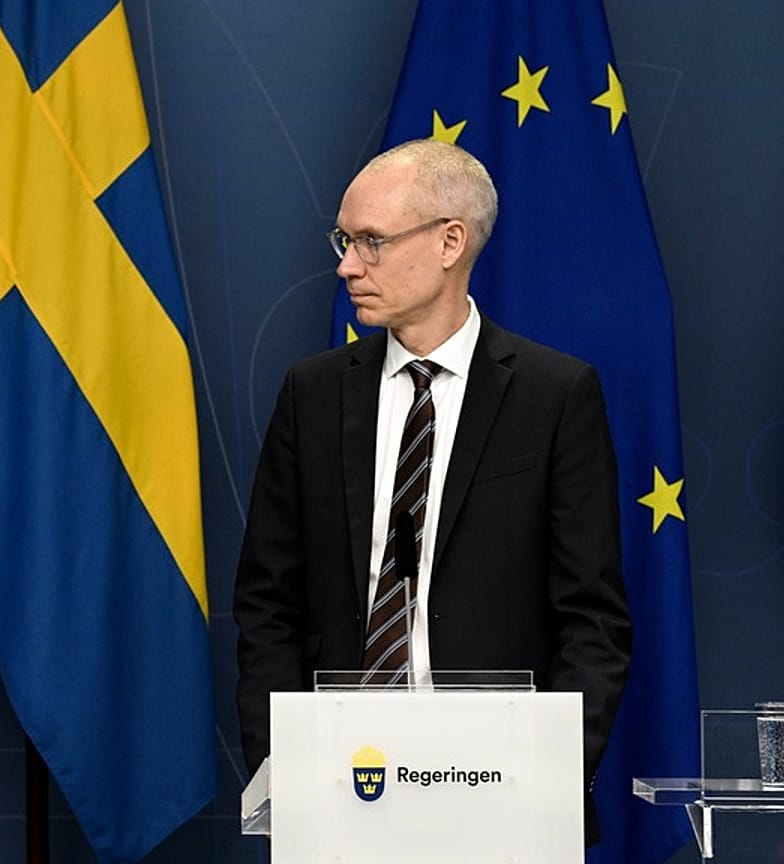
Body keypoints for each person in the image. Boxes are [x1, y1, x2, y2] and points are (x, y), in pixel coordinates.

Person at [233, 139, 631, 835]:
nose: (346, 265)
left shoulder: (555, 396)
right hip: (338, 790)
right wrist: (285, 766)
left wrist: (546, 779)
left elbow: (592, 621)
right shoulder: (314, 393)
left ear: (451, 241)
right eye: (344, 240)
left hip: (501, 798)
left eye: (370, 242)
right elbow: (268, 603)